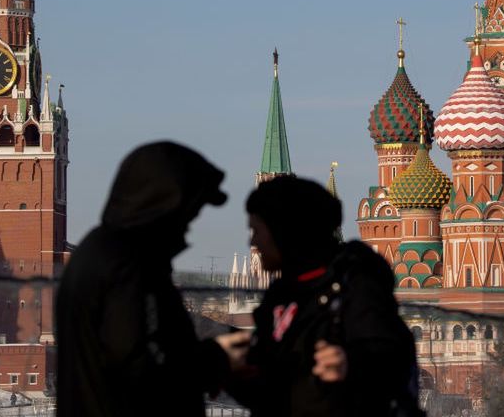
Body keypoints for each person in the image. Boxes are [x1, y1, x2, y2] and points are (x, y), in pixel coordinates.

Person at [56, 142, 250, 416]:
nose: (188, 228)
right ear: (166, 207)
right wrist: (216, 359)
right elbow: (139, 370)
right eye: (189, 214)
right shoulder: (128, 265)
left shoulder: (101, 252)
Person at [231, 176, 424, 417]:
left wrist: (349, 364)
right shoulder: (283, 293)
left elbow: (386, 358)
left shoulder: (353, 284)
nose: (253, 241)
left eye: (258, 230)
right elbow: (275, 389)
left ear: (284, 232)